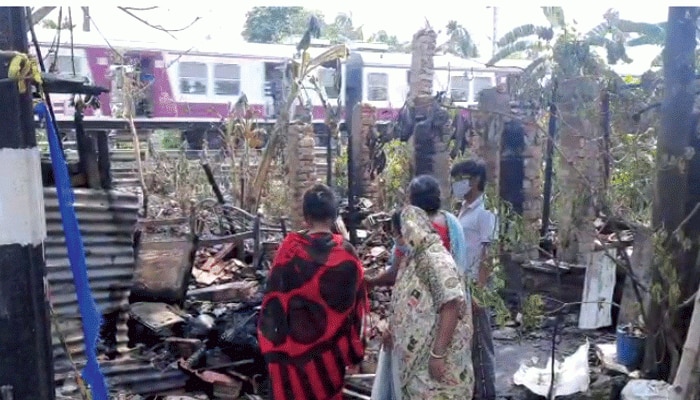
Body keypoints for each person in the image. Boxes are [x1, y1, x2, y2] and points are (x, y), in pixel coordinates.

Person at [257, 183, 368, 400]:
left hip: (289, 359)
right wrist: (356, 353)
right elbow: (358, 308)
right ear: (334, 216)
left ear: (306, 216)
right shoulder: (347, 254)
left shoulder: (289, 249)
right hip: (327, 361)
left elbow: (273, 299)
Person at [388, 205, 474, 399]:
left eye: (398, 235)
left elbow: (450, 304)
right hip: (419, 356)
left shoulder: (435, 259)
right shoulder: (415, 258)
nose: (397, 242)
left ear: (409, 230)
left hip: (437, 356)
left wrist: (438, 354)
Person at [366, 175, 468, 289]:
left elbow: (394, 274)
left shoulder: (412, 228)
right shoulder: (451, 221)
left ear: (411, 200)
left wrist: (369, 281)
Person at [451, 159, 498, 400]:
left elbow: (489, 254)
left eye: (461, 178)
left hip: (475, 285)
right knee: (466, 342)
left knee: (480, 344)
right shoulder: (463, 209)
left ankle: (487, 394)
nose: (457, 184)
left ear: (476, 180)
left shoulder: (485, 211)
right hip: (462, 284)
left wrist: (479, 290)